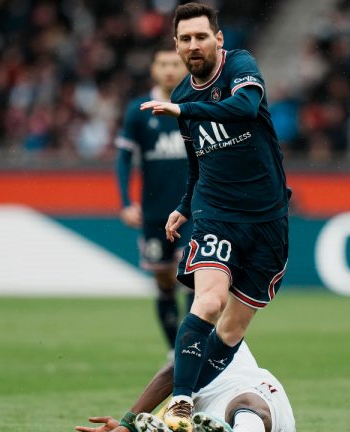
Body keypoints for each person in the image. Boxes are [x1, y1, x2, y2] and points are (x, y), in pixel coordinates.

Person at [139, 3, 290, 430]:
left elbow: (244, 108)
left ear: (218, 39)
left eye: (201, 37)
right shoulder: (181, 97)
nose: (194, 45)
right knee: (208, 302)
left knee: (230, 332)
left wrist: (185, 111)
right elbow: (198, 161)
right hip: (216, 215)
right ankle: (182, 403)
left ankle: (172, 406)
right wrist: (185, 205)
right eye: (185, 39)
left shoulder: (239, 66)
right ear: (176, 45)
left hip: (267, 221)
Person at [116, 47, 194, 352]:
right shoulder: (138, 111)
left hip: (193, 211)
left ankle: (191, 350)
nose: (169, 70)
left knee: (194, 277)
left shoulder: (197, 105)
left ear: (185, 68)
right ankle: (174, 351)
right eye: (163, 64)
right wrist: (126, 202)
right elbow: (124, 159)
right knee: (164, 281)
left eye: (175, 64)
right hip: (155, 213)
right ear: (153, 69)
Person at [75, 341, 295, 432]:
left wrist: (127, 424)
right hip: (211, 418)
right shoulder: (178, 407)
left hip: (257, 399)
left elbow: (172, 370)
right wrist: (129, 428)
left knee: (247, 404)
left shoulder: (218, 333)